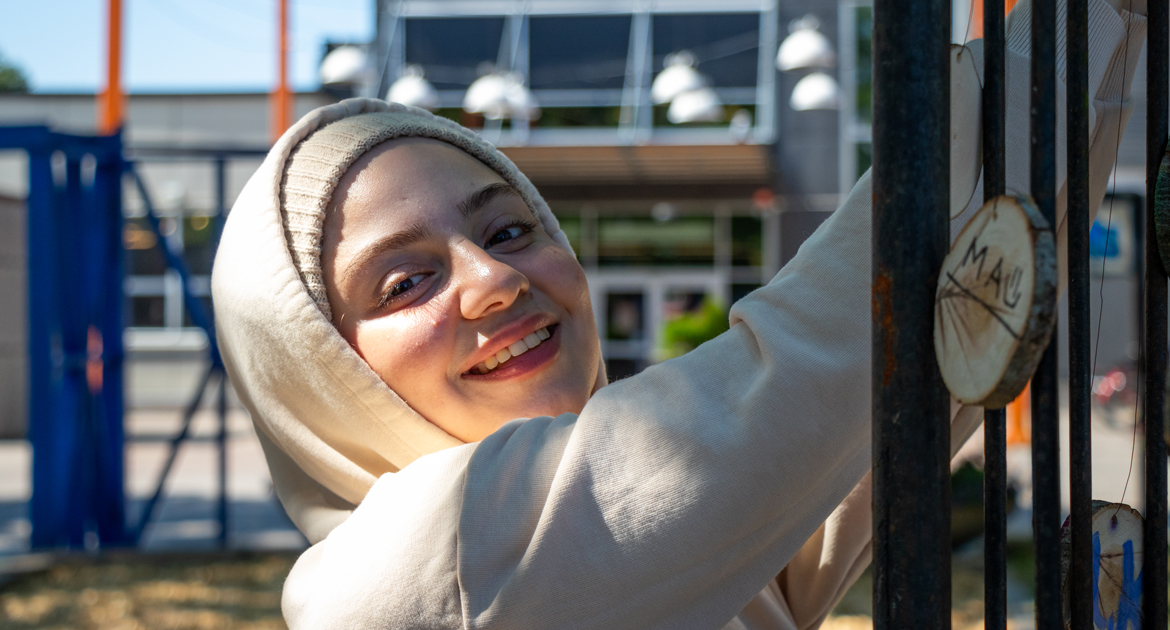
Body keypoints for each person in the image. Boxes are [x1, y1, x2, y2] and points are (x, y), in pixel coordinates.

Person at [210, 0, 1148, 627]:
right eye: (402, 283)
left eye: (505, 230)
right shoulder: (397, 581)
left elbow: (903, 391)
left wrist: (1091, 57)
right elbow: (801, 373)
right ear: (317, 372)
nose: (491, 282)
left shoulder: (682, 550)